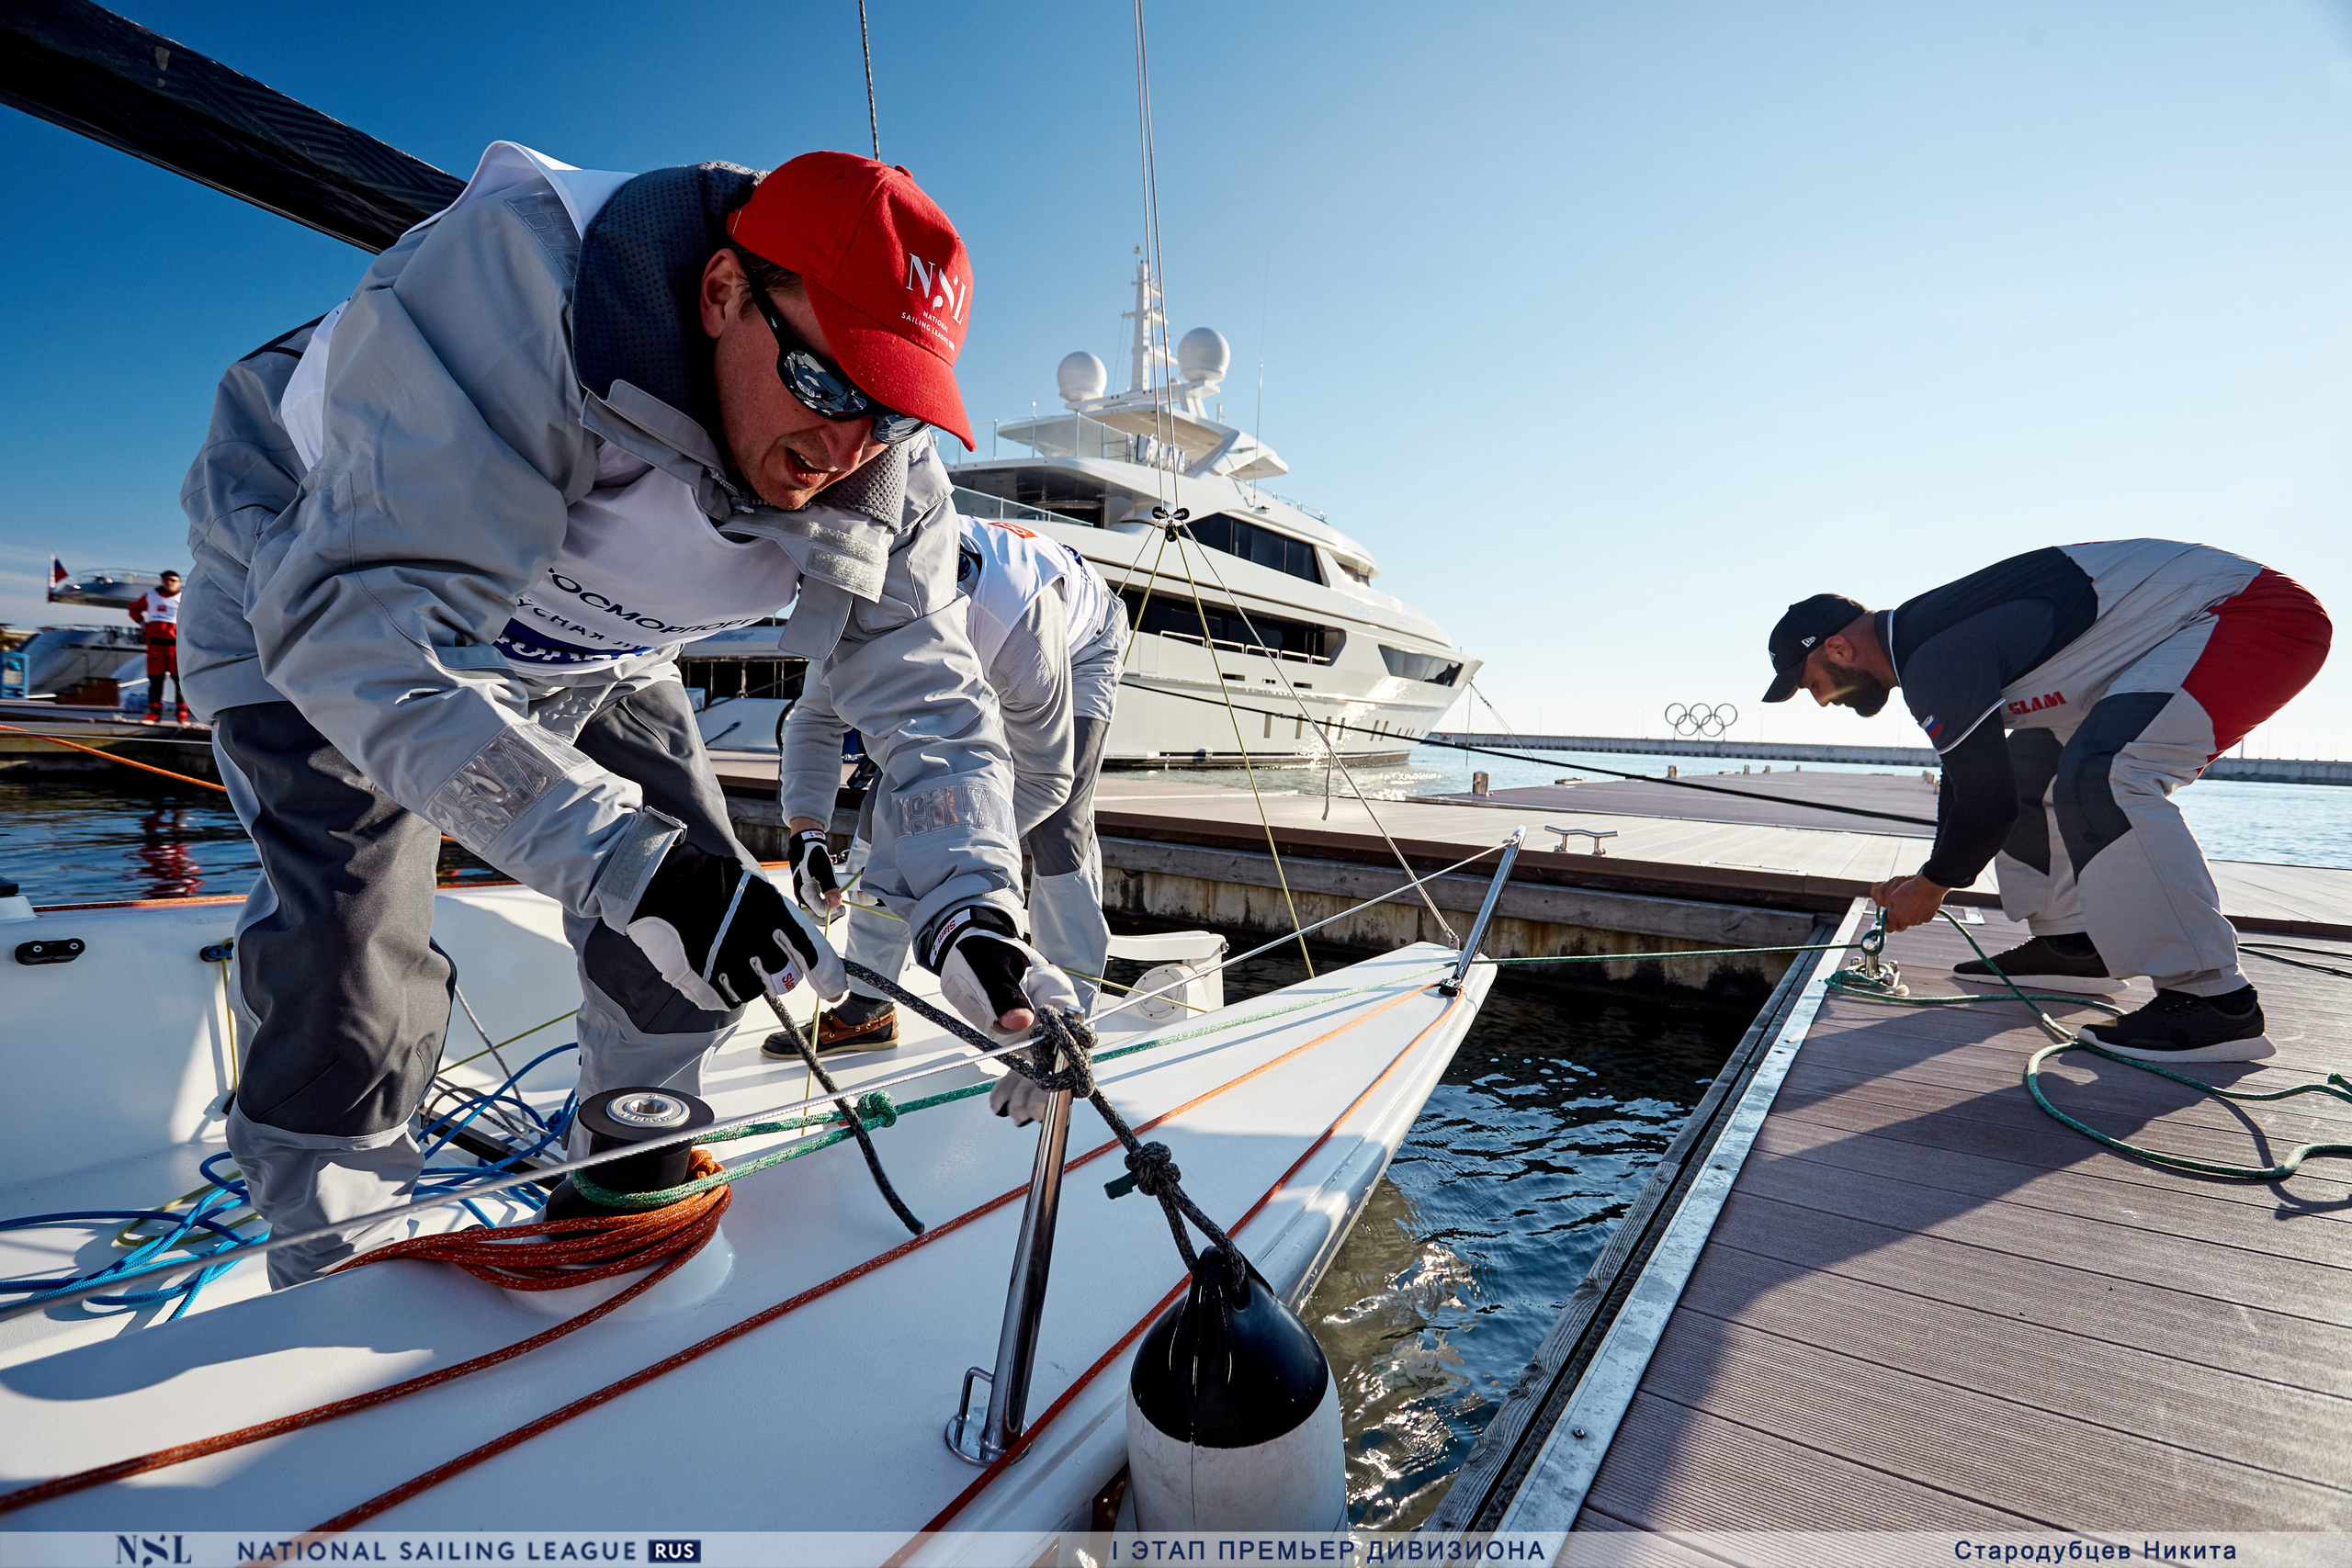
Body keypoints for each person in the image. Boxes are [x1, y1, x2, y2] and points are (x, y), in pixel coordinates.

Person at [179, 142, 1074, 1286]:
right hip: (324, 581)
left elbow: (928, 696)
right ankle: (334, 1242)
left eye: (893, 408)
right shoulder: (505, 299)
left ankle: (627, 1145)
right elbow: (363, 644)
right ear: (719, 295)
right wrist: (628, 865)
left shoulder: (876, 469)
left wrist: (973, 911)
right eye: (826, 382)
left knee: (698, 886)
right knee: (347, 928)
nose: (842, 449)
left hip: (586, 637)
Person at [1760, 540, 2330, 1062]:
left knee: (2107, 775)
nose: (1821, 701)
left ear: (1838, 649)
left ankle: (2213, 1000)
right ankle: (2073, 943)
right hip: (2164, 636)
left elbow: (1985, 808)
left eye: (1811, 684)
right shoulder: (1925, 641)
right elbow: (1971, 782)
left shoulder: (1935, 654)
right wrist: (1927, 874)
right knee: (2029, 765)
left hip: (2251, 615)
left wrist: (1932, 887)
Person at [780, 514, 1128, 1058]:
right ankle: (870, 1004)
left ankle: (1067, 1012)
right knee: (898, 795)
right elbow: (814, 720)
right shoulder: (855, 602)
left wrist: (948, 857)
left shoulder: (1022, 639)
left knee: (1061, 828)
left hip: (1076, 641)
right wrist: (807, 832)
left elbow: (1045, 778)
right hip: (976, 627)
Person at [127, 570, 187, 723]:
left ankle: (182, 715)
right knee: (155, 681)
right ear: (162, 581)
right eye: (166, 579)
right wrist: (141, 622)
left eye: (173, 580)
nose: (169, 582)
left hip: (175, 646)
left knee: (180, 682)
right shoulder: (151, 597)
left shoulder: (183, 598)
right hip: (155, 646)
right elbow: (134, 609)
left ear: (179, 583)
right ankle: (154, 713)